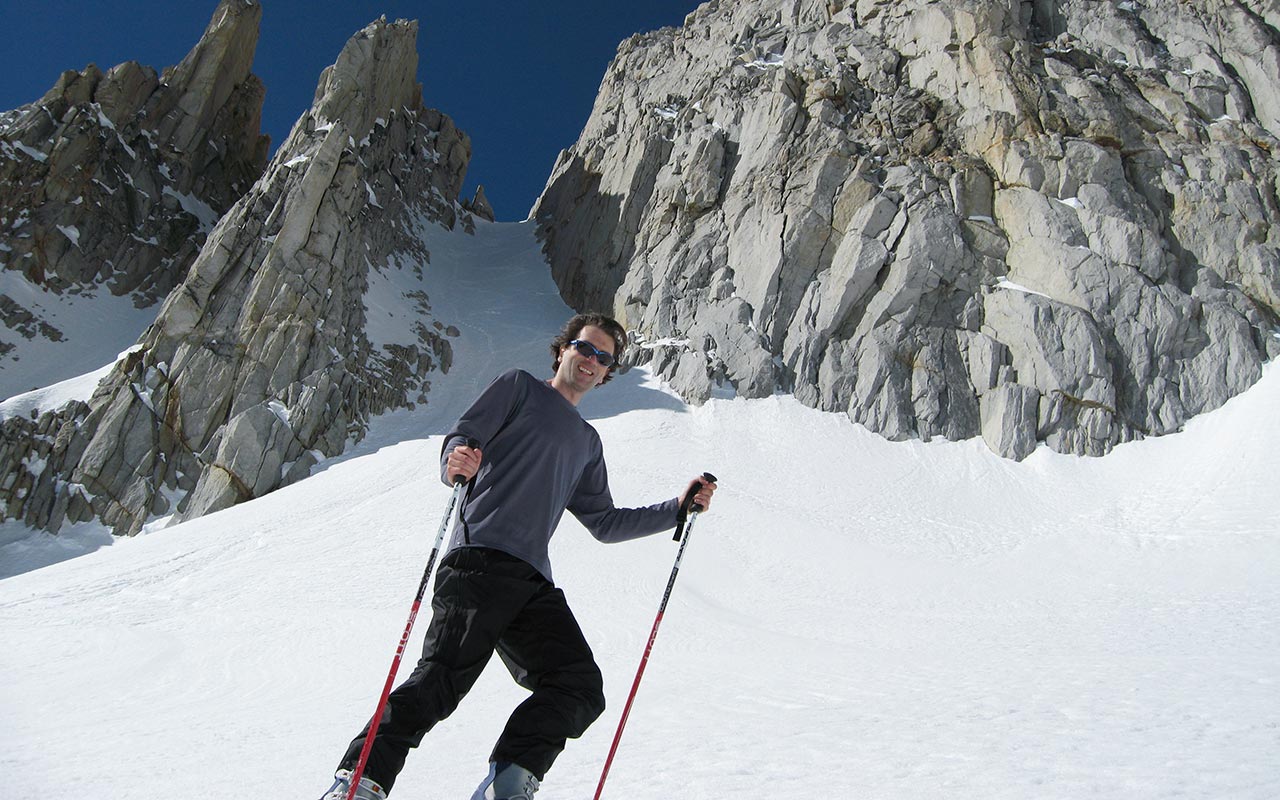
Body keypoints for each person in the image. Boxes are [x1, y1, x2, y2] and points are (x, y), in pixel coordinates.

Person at [320, 312, 717, 800]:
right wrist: (456, 459)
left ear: (609, 372)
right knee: (441, 680)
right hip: (478, 561)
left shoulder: (588, 444)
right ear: (563, 349)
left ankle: (508, 782)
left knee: (578, 686)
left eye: (603, 358)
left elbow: (605, 522)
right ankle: (359, 782)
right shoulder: (520, 389)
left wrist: (677, 509)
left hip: (531, 582)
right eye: (584, 349)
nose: (591, 361)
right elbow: (464, 438)